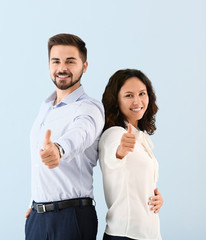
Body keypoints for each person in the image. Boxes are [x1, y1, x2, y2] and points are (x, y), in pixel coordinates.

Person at [25, 33, 105, 240]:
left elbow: (81, 133)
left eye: (70, 61)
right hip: (37, 217)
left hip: (71, 218)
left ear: (84, 66)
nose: (62, 68)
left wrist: (59, 149)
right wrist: (36, 202)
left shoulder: (89, 108)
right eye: (56, 61)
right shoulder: (45, 108)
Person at [99, 69, 164, 240]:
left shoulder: (139, 137)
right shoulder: (114, 134)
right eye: (128, 95)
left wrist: (155, 197)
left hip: (148, 234)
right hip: (125, 234)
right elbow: (113, 158)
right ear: (116, 101)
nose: (137, 101)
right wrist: (120, 152)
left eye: (142, 93)